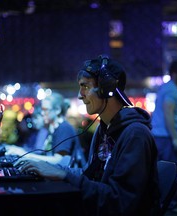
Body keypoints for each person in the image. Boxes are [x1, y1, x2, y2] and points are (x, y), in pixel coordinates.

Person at [15, 55, 161, 216]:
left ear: (107, 89)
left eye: (85, 86)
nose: (80, 94)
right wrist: (53, 169)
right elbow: (89, 175)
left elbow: (120, 202)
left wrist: (64, 175)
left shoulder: (135, 135)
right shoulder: (104, 129)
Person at [5, 91, 81, 165]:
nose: (42, 113)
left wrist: (26, 155)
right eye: (42, 110)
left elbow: (60, 161)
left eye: (45, 110)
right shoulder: (53, 128)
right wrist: (22, 152)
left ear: (57, 110)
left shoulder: (64, 128)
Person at [151, 60, 177, 162]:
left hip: (158, 136)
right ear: (174, 74)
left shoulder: (165, 87)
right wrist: (175, 138)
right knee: (171, 173)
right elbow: (168, 113)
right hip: (166, 138)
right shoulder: (172, 90)